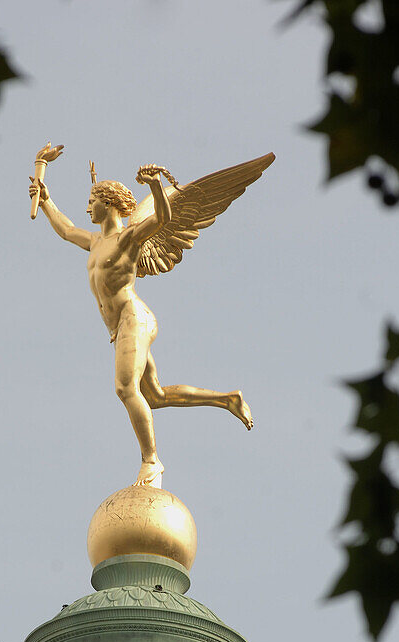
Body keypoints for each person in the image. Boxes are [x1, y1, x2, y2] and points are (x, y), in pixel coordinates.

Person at [29, 163, 253, 488]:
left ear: (108, 203)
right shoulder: (94, 242)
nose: (87, 207)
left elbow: (162, 219)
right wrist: (46, 200)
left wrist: (157, 186)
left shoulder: (127, 239)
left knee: (125, 389)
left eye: (92, 200)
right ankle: (227, 399)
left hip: (135, 317)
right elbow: (65, 229)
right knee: (155, 395)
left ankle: (151, 461)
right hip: (121, 326)